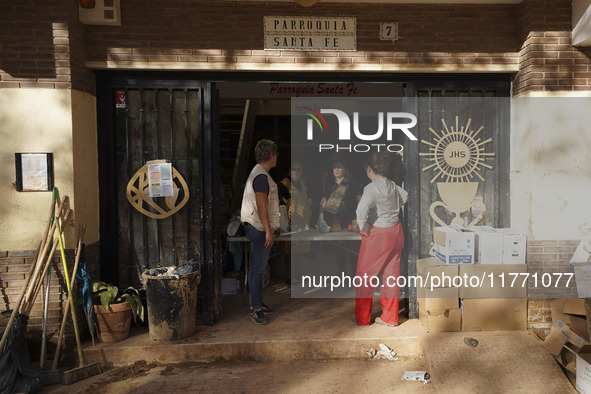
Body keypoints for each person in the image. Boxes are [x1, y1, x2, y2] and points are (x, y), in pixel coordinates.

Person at [354, 151, 407, 327]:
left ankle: (362, 318)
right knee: (391, 276)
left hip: (379, 233)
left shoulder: (371, 188)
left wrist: (364, 227)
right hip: (396, 231)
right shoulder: (392, 184)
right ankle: (390, 318)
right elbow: (405, 196)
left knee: (364, 276)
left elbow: (361, 211)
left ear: (369, 169)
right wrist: (392, 209)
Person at [240, 139, 281, 325]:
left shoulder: (259, 174)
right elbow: (261, 206)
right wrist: (268, 231)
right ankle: (256, 307)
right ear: (271, 155)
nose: (277, 157)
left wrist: (274, 226)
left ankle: (257, 303)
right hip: (258, 228)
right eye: (276, 154)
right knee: (257, 269)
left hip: (259, 227)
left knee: (258, 267)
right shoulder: (261, 177)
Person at [319, 160, 361, 231]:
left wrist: (360, 218)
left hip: (349, 219)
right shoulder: (329, 183)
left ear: (344, 170)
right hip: (332, 220)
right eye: (334, 167)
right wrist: (320, 216)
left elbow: (359, 200)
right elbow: (324, 200)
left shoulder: (352, 183)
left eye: (339, 167)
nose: (336, 169)